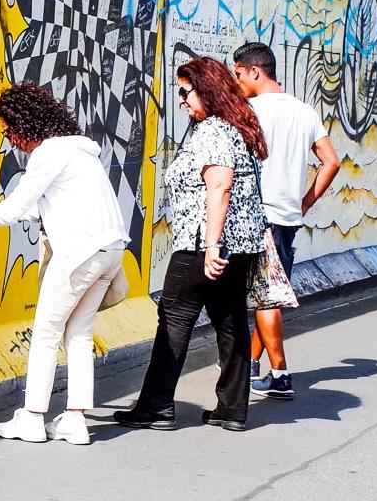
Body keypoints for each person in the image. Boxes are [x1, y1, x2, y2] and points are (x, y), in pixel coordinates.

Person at [0, 84, 127, 445]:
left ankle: (32, 418)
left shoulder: (48, 153)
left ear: (24, 123)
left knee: (46, 333)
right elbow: (38, 207)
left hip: (77, 254)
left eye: (8, 129)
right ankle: (75, 420)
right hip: (108, 251)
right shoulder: (79, 152)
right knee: (78, 333)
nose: (8, 139)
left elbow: (16, 210)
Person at [113, 57, 268, 432]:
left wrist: (212, 246)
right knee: (230, 322)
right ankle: (232, 409)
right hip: (241, 246)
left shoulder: (214, 130)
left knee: (174, 320)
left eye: (186, 91)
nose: (181, 100)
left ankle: (156, 406)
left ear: (207, 90)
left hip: (203, 246)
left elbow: (220, 187)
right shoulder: (237, 127)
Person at [230, 42, 337, 400]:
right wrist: (304, 203)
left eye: (239, 74)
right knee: (269, 293)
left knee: (266, 298)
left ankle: (279, 374)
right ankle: (252, 366)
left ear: (255, 72)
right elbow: (331, 162)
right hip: (288, 217)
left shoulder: (249, 110)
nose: (237, 81)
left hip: (258, 216)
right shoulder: (304, 111)